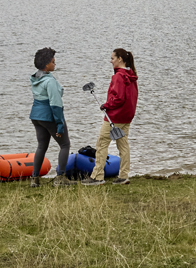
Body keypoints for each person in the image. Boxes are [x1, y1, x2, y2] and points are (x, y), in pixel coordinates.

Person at [83, 48, 139, 185]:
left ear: (120, 59)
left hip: (114, 117)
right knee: (123, 145)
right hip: (126, 117)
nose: (111, 61)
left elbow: (119, 98)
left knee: (101, 144)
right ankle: (124, 175)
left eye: (112, 58)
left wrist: (106, 105)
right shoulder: (130, 75)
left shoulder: (119, 76)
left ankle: (97, 176)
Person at [29, 47, 74, 187]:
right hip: (48, 116)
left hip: (36, 116)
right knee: (65, 144)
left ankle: (34, 179)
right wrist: (59, 125)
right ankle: (61, 178)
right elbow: (55, 104)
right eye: (53, 62)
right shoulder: (50, 82)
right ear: (47, 64)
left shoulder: (35, 78)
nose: (55, 64)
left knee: (42, 146)